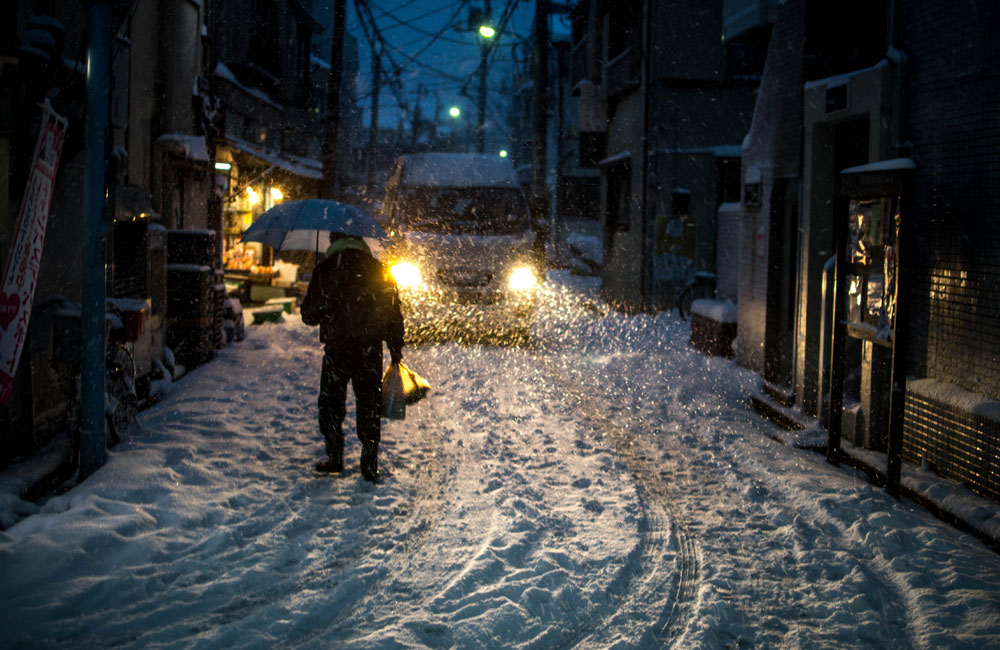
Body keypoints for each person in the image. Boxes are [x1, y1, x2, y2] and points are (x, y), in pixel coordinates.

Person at [300, 232, 404, 482]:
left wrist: (324, 304)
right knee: (369, 403)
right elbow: (393, 313)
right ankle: (369, 463)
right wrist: (395, 347)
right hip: (369, 350)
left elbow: (308, 316)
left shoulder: (325, 269)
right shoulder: (379, 270)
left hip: (337, 350)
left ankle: (335, 457)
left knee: (331, 403)